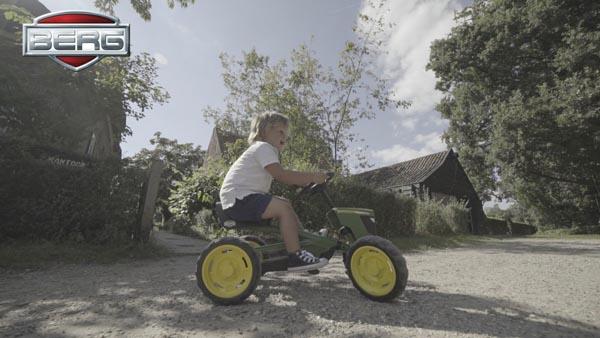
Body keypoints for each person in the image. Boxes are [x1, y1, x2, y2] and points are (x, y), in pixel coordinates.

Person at [219, 111, 328, 272]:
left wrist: (301, 181)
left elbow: (281, 174)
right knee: (283, 208)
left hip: (242, 198)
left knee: (284, 203)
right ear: (264, 131)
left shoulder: (264, 150)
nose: (285, 136)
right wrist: (312, 176)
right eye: (280, 131)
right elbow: (281, 174)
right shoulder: (263, 147)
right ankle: (295, 256)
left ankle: (305, 247)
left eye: (286, 134)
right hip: (239, 199)